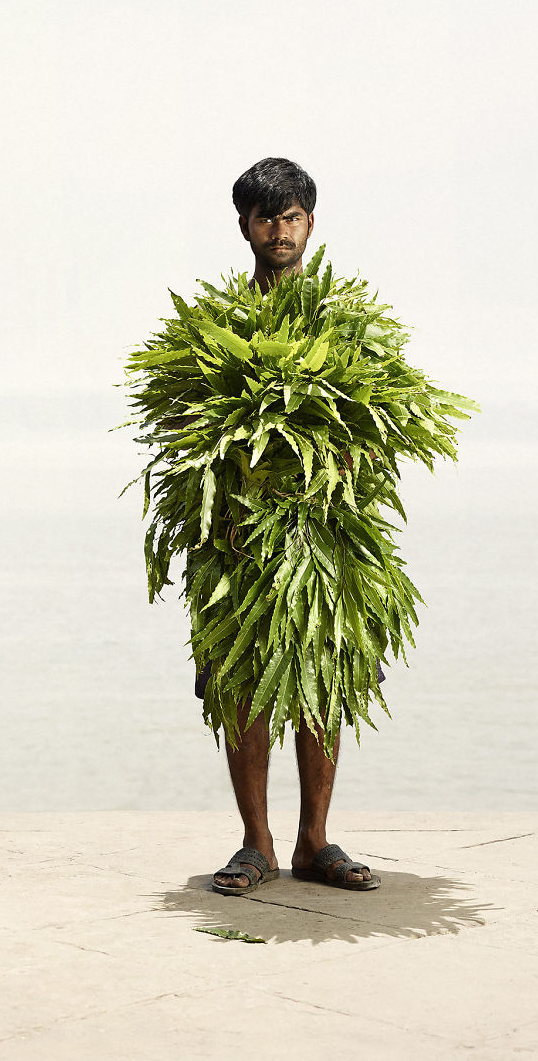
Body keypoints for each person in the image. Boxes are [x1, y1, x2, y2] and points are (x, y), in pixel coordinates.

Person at [203, 158, 381, 895]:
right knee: (242, 681)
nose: (281, 229)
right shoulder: (216, 325)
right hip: (239, 535)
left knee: (320, 680)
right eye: (267, 217)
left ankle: (314, 841)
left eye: (294, 216)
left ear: (312, 222)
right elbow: (198, 437)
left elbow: (374, 423)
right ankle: (257, 843)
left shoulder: (342, 320)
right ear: (245, 225)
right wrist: (223, 517)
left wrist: (341, 472)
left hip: (325, 531)